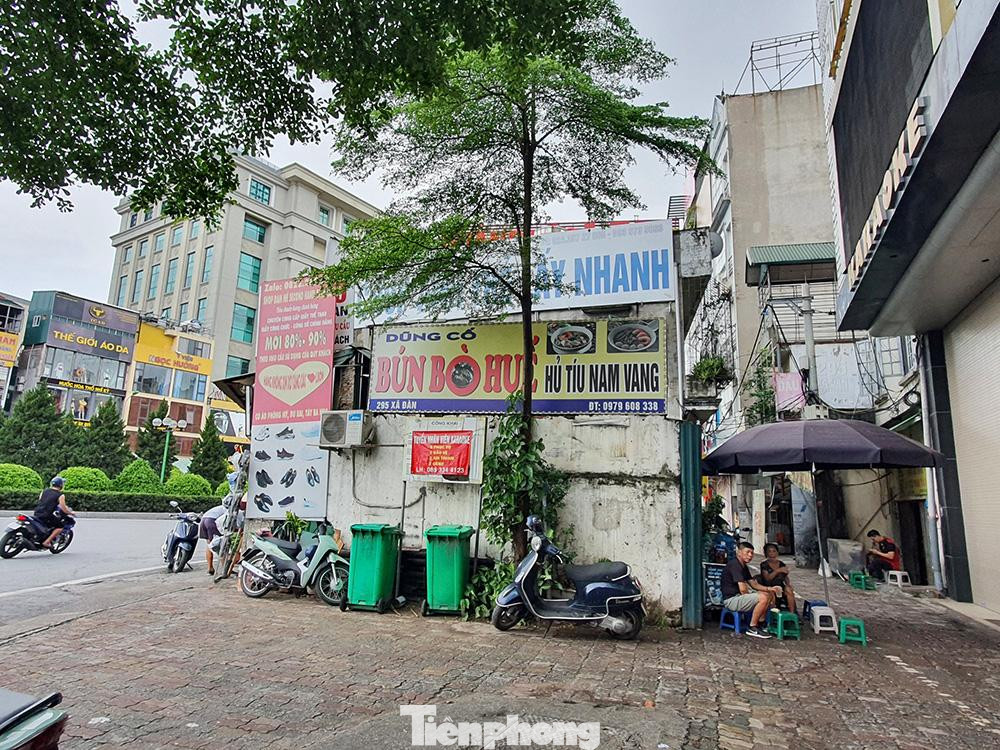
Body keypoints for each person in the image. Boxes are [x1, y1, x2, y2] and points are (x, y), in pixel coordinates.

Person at [720, 541, 782, 639]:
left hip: (739, 597)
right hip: (731, 600)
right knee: (763, 597)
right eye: (747, 552)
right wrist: (757, 596)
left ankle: (761, 624)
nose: (750, 555)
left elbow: (753, 584)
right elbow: (743, 589)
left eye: (752, 553)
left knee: (769, 594)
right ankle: (753, 627)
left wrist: (769, 589)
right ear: (739, 552)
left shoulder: (743, 566)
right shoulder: (735, 565)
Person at [34, 476, 75, 548]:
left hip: (37, 512)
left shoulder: (44, 491)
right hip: (47, 515)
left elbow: (41, 500)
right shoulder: (60, 495)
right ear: (61, 485)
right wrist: (71, 513)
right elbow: (63, 508)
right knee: (60, 527)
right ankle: (47, 542)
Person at [758, 543, 796, 615]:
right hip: (769, 587)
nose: (772, 553)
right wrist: (777, 571)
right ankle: (772, 615)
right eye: (769, 551)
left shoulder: (781, 564)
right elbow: (768, 578)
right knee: (772, 593)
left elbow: (785, 577)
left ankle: (792, 613)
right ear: (766, 553)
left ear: (777, 552)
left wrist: (788, 585)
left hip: (780, 587)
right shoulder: (764, 564)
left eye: (774, 551)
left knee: (789, 590)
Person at [200, 504, 227, 575]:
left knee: (209, 544)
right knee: (219, 544)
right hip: (211, 521)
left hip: (203, 520)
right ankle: (225, 569)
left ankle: (210, 568)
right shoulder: (229, 509)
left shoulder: (220, 508)